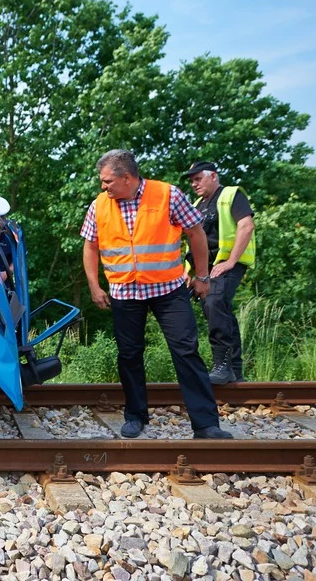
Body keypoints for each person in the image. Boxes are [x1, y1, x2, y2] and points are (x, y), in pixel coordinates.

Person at [80, 149, 232, 439]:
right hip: (125, 290)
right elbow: (90, 246)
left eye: (108, 181)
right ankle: (135, 417)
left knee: (186, 351)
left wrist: (202, 276)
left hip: (168, 289)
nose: (103, 187)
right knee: (129, 355)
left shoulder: (168, 195)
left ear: (127, 178)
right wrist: (94, 285)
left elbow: (196, 233)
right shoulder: (99, 205)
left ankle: (206, 424)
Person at [183, 161, 256, 385]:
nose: (194, 184)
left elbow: (246, 226)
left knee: (214, 302)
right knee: (217, 308)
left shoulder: (231, 195)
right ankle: (234, 370)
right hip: (206, 268)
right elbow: (193, 241)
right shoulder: (196, 204)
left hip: (227, 264)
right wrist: (189, 271)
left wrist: (231, 260)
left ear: (213, 176)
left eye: (198, 179)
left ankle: (222, 366)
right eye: (192, 180)